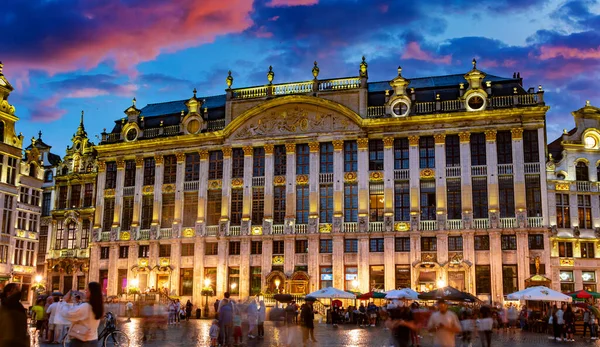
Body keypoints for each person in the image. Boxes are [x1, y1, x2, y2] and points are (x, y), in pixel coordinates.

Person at [58, 282, 104, 347]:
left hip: (81, 340)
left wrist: (64, 301)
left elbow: (67, 314)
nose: (85, 291)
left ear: (91, 292)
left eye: (87, 289)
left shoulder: (86, 307)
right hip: (93, 339)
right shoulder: (98, 307)